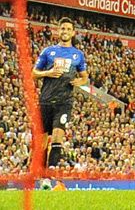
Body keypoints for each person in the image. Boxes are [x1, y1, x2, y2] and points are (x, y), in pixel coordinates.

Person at [31, 17, 89, 185]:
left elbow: (84, 76)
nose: (65, 31)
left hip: (65, 102)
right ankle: (41, 176)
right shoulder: (48, 51)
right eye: (62, 28)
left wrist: (80, 82)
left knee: (57, 138)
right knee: (41, 142)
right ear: (58, 31)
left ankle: (49, 177)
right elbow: (34, 73)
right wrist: (47, 73)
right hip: (46, 101)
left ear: (73, 32)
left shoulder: (78, 55)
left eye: (68, 29)